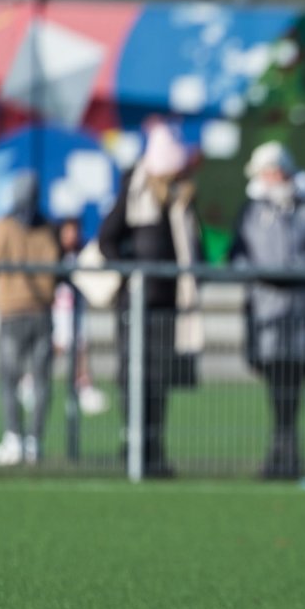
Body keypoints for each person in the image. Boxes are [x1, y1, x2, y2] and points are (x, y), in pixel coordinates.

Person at [99, 120, 205, 477]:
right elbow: (107, 240)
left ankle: (155, 448)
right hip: (136, 305)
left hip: (169, 306)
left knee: (159, 381)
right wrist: (132, 273)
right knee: (133, 378)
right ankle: (133, 447)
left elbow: (195, 248)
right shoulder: (134, 191)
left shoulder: (184, 199)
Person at [230, 141, 305, 480]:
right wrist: (262, 272)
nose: (273, 175)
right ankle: (280, 455)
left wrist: (291, 268)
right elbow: (238, 253)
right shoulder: (250, 210)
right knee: (276, 388)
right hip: (265, 313)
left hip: (302, 313)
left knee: (294, 389)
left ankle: (286, 457)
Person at [0, 171, 60, 466]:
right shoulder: (48, 228)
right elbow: (56, 265)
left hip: (13, 312)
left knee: (10, 380)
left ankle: (15, 437)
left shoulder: (0, 227)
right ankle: (32, 441)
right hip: (40, 311)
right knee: (40, 382)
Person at [53, 218, 108, 416]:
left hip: (77, 309)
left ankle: (84, 386)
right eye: (67, 231)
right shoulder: (56, 253)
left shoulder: (83, 252)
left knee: (80, 347)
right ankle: (30, 382)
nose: (71, 236)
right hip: (61, 309)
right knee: (58, 347)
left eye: (74, 231)